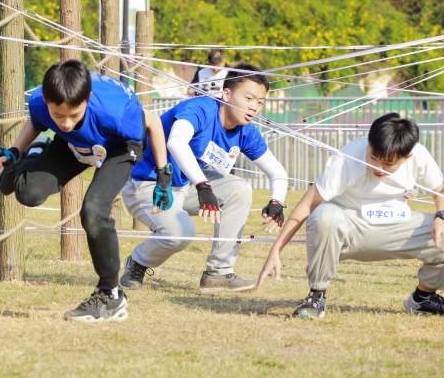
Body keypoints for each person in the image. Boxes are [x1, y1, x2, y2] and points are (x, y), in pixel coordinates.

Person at [0, 60, 170, 322]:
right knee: (28, 194)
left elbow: (153, 122)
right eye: (58, 115)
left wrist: (163, 176)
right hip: (75, 145)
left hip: (119, 146)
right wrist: (15, 151)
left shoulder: (115, 110)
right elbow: (37, 121)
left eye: (74, 114)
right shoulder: (40, 101)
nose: (66, 122)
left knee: (93, 210)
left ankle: (110, 295)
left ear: (87, 98)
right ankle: (31, 156)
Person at [257, 113, 444, 318]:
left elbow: (439, 190)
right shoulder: (347, 157)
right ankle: (316, 296)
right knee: (325, 216)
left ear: (406, 156)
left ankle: (423, 298)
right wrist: (275, 251)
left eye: (389, 163)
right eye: (373, 157)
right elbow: (307, 205)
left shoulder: (418, 155)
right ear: (369, 144)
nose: (378, 168)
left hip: (396, 229)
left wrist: (440, 216)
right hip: (347, 229)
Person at [120, 64, 288, 292]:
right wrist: (203, 185)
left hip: (187, 185)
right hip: (150, 184)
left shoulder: (246, 131)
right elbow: (175, 143)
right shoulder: (199, 109)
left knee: (238, 189)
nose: (254, 107)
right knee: (181, 233)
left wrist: (277, 202)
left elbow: (277, 173)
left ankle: (218, 273)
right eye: (249, 98)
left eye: (260, 102)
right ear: (226, 94)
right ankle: (137, 263)